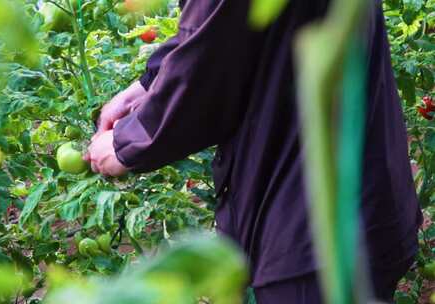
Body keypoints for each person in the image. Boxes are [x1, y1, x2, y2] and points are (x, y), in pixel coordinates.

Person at [85, 0, 423, 302]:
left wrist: (126, 143)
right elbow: (224, 25)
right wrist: (146, 85)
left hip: (308, 227)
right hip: (361, 190)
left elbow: (208, 61)